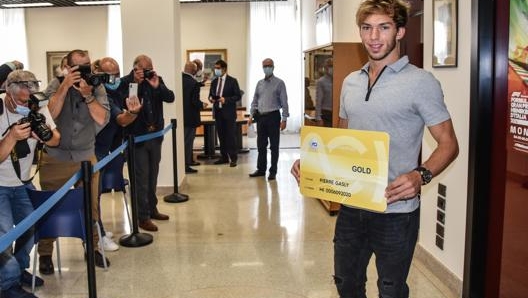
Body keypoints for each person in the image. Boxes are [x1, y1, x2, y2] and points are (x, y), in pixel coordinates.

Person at [291, 0, 459, 296]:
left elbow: (449, 144)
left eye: (384, 27)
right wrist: (315, 165)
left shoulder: (421, 83)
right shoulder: (350, 83)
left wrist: (420, 176)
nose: (374, 36)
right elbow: (342, 141)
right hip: (352, 207)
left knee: (391, 289)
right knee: (347, 284)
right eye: (367, 28)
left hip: (396, 210)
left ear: (400, 32)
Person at [38, 49, 111, 274]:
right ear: (68, 68)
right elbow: (48, 115)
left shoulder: (96, 87)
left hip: (85, 156)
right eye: (78, 67)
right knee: (48, 206)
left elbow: (102, 118)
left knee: (91, 206)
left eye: (87, 65)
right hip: (55, 157)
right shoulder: (55, 84)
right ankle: (45, 254)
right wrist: (65, 86)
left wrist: (88, 95)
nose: (84, 70)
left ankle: (93, 247)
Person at [0, 70, 60, 298]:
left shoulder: (37, 105)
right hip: (1, 185)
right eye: (21, 96)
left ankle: (17, 269)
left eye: (30, 92)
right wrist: (12, 137)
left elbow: (56, 138)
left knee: (32, 228)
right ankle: (8, 286)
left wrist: (42, 136)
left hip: (23, 182)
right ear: (9, 91)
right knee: (4, 235)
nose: (27, 99)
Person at [119, 54, 177, 231]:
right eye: (144, 68)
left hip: (155, 137)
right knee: (141, 179)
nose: (147, 71)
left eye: (150, 67)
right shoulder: (126, 82)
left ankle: (152, 209)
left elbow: (170, 97)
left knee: (153, 176)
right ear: (135, 67)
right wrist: (136, 83)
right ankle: (142, 217)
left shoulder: (156, 79)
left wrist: (157, 86)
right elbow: (126, 101)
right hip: (137, 139)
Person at [94, 57, 142, 251]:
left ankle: (100, 230)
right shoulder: (99, 94)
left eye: (116, 73)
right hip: (93, 151)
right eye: (110, 74)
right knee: (92, 197)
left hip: (107, 149)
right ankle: (98, 235)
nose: (114, 78)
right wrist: (132, 114)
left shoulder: (115, 89)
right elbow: (121, 119)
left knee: (95, 197)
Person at [248, 58, 289, 181]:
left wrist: (284, 119)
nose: (267, 68)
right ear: (262, 67)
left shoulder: (279, 83)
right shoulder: (259, 83)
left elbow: (284, 102)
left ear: (273, 67)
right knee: (261, 145)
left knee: (274, 146)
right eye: (265, 66)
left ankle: (273, 171)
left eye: (269, 65)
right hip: (260, 117)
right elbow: (255, 101)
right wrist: (251, 115)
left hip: (273, 116)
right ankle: (261, 170)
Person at [208, 59, 241, 167]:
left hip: (229, 113)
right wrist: (211, 99)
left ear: (224, 69)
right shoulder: (214, 81)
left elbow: (237, 96)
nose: (216, 70)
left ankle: (233, 158)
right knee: (221, 136)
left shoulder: (232, 81)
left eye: (218, 68)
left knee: (230, 136)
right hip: (218, 112)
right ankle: (224, 157)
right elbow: (210, 95)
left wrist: (225, 100)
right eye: (215, 68)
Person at [182, 61, 203, 174]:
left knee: (182, 142)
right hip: (191, 119)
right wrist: (202, 105)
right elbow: (194, 102)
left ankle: (183, 164)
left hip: (181, 118)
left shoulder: (178, 80)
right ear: (194, 71)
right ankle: (186, 165)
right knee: (188, 143)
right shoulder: (194, 83)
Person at [314, 58, 333, 127]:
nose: (332, 68)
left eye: (333, 66)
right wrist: (318, 118)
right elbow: (318, 100)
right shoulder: (321, 81)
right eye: (330, 66)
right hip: (326, 113)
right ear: (326, 68)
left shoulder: (339, 79)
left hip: (338, 113)